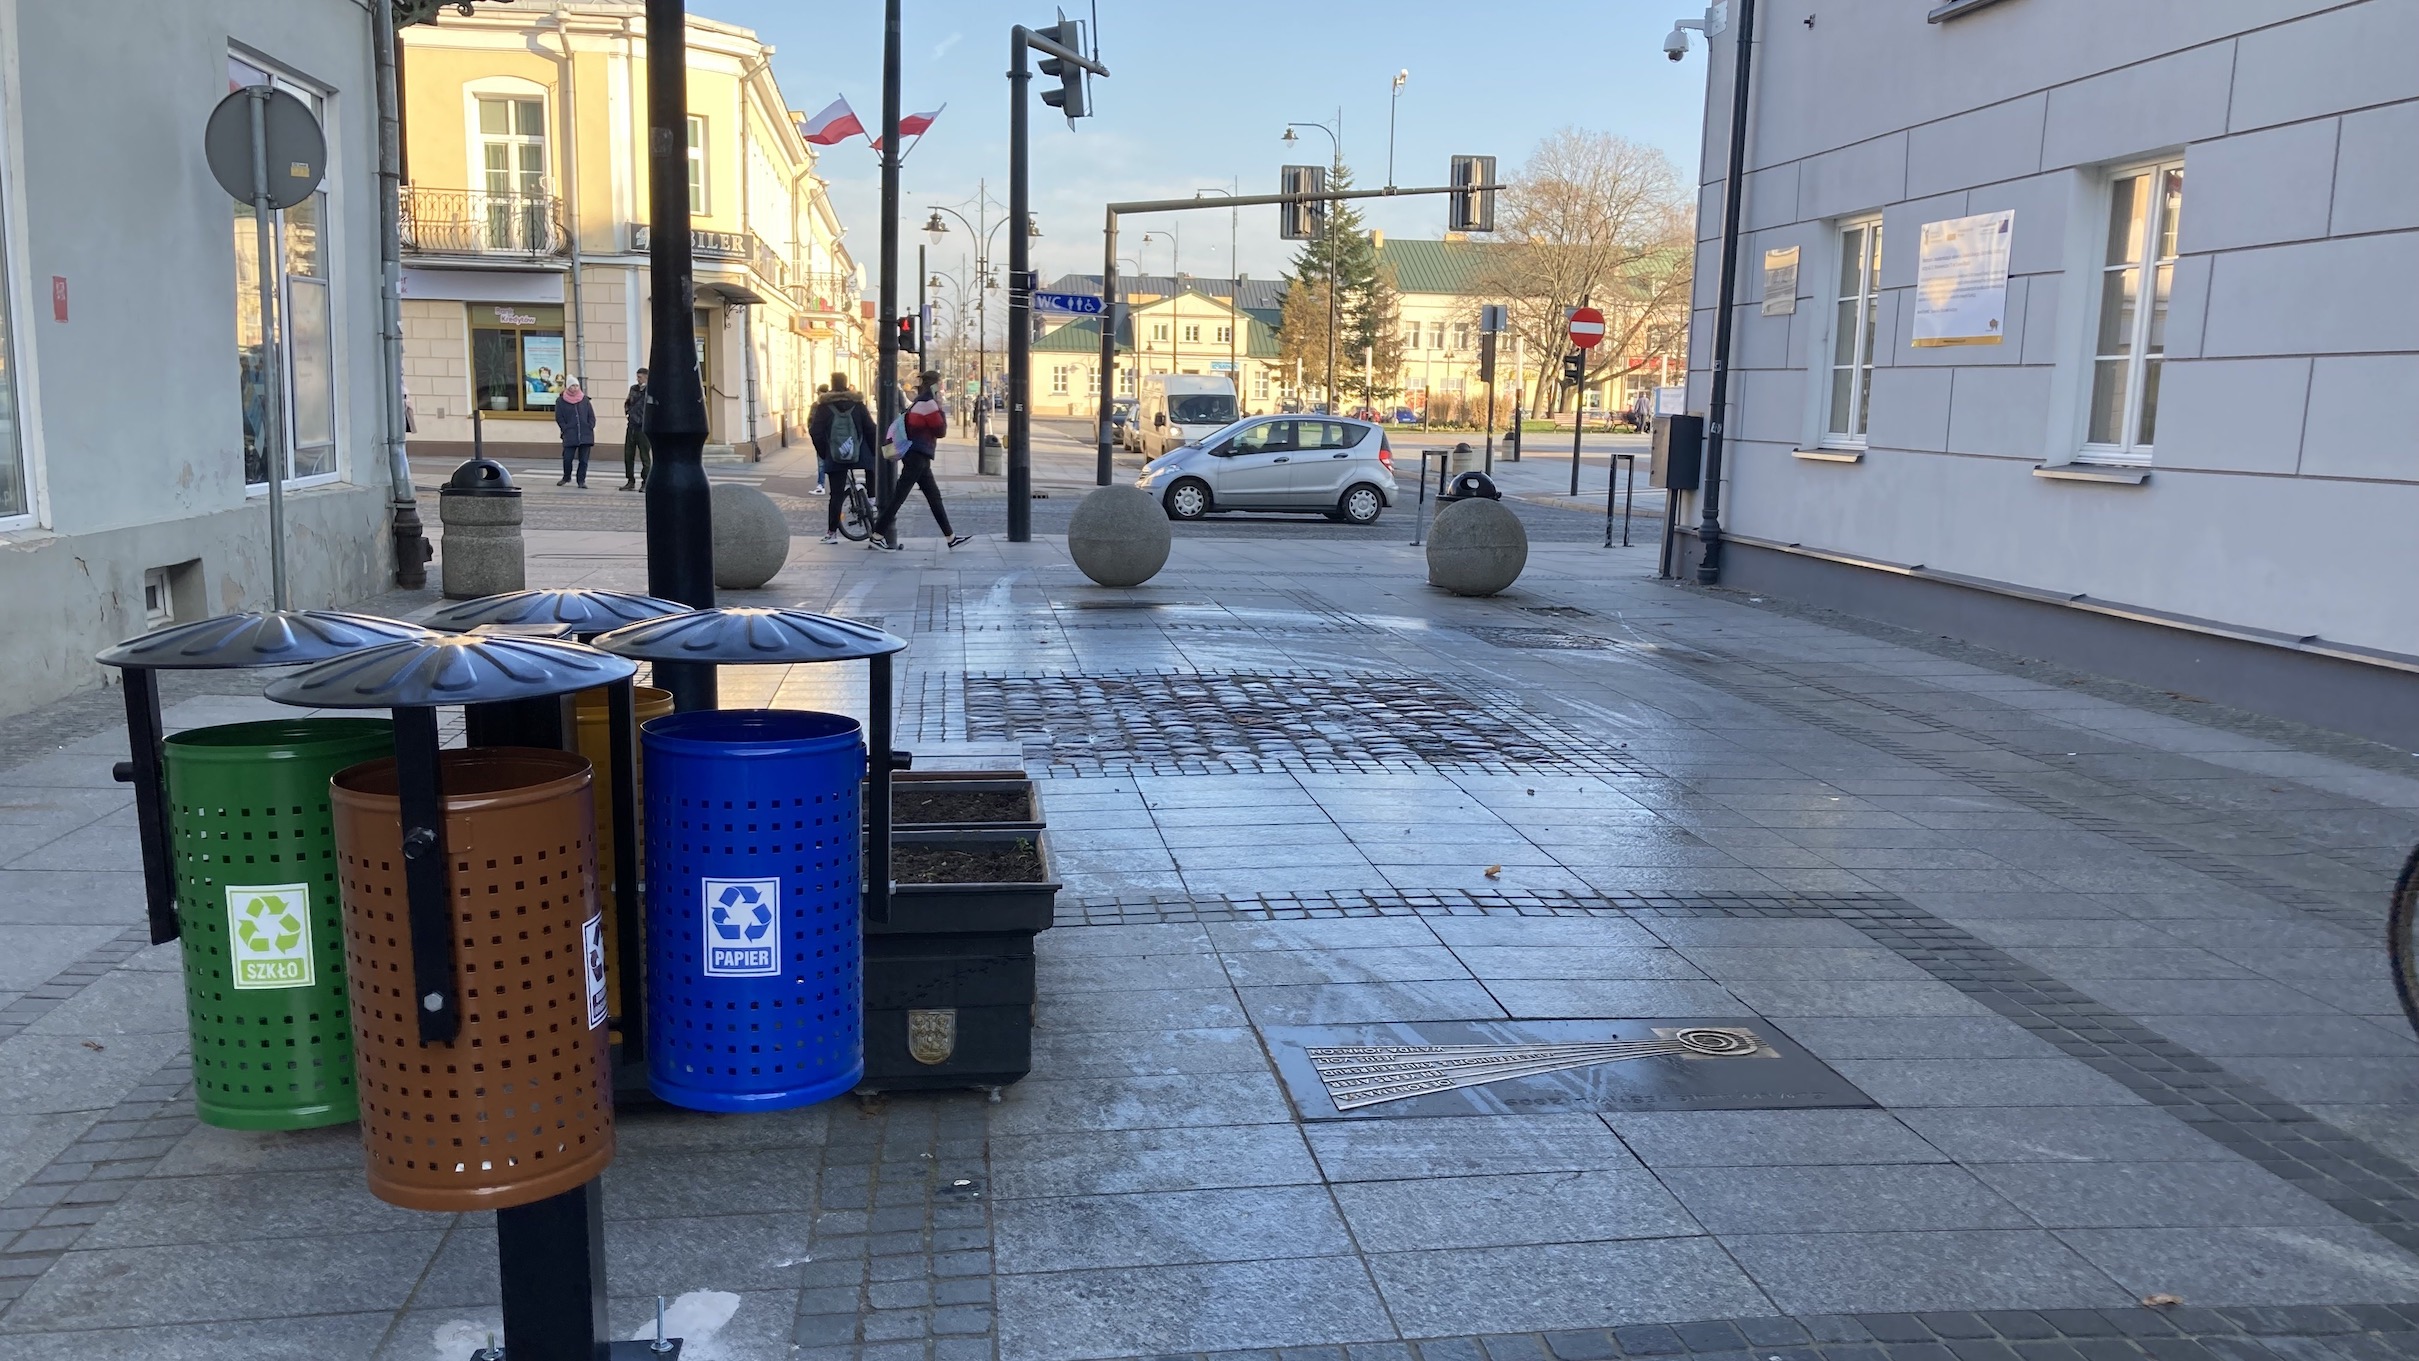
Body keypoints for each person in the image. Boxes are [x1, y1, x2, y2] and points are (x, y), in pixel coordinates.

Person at [872, 370, 970, 550]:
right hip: (917, 456)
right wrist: (939, 407)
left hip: (918, 456)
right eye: (939, 384)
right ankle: (877, 535)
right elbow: (941, 431)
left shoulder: (919, 403)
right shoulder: (929, 404)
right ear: (935, 385)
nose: (941, 388)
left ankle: (951, 538)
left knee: (934, 497)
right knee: (899, 498)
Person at [807, 372, 877, 544]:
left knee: (836, 494)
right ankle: (872, 499)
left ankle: (831, 533)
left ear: (832, 384)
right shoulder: (857, 403)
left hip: (835, 455)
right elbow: (870, 429)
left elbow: (815, 431)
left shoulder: (824, 406)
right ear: (846, 384)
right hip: (859, 453)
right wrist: (873, 453)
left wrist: (825, 453)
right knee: (872, 467)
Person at [554, 378, 596, 487]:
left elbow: (591, 415)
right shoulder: (561, 401)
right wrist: (565, 428)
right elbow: (559, 417)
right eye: (572, 386)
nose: (575, 388)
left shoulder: (584, 400)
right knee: (567, 458)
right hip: (570, 434)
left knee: (584, 460)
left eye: (577, 386)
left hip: (585, 434)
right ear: (568, 387)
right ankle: (566, 477)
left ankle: (581, 481)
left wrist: (590, 426)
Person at [622, 368, 651, 490]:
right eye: (637, 377)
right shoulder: (633, 389)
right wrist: (628, 412)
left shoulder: (651, 390)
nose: (638, 379)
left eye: (640, 377)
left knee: (645, 456)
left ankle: (646, 481)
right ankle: (630, 480)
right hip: (632, 425)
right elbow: (628, 402)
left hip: (643, 427)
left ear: (646, 377)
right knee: (628, 454)